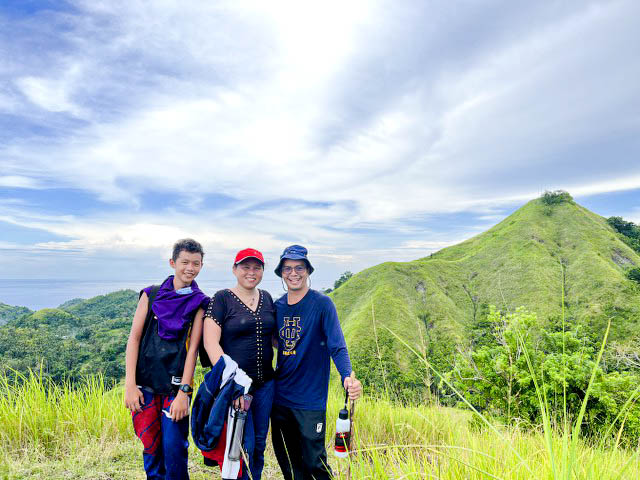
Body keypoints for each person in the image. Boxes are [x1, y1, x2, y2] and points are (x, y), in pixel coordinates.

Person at [271, 244, 362, 480]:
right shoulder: (277, 307)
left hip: (310, 400)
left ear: (307, 270)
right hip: (280, 398)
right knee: (290, 465)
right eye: (288, 268)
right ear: (282, 273)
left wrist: (347, 376)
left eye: (299, 267)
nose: (294, 273)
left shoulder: (322, 304)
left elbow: (337, 345)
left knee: (315, 463)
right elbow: (272, 341)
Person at [124, 238, 209, 480]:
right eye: (184, 262)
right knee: (150, 446)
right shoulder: (150, 296)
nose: (190, 268)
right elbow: (134, 339)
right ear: (173, 262)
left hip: (175, 389)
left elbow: (193, 350)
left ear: (201, 266)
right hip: (145, 384)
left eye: (196, 263)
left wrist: (184, 392)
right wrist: (129, 385)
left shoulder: (200, 302)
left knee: (174, 448)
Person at [199, 248, 276, 480]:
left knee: (259, 442)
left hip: (265, 385)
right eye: (245, 267)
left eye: (257, 267)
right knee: (238, 442)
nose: (251, 272)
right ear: (235, 269)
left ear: (262, 271)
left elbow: (273, 338)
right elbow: (210, 342)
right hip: (236, 387)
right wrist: (232, 383)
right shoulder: (222, 298)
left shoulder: (267, 298)